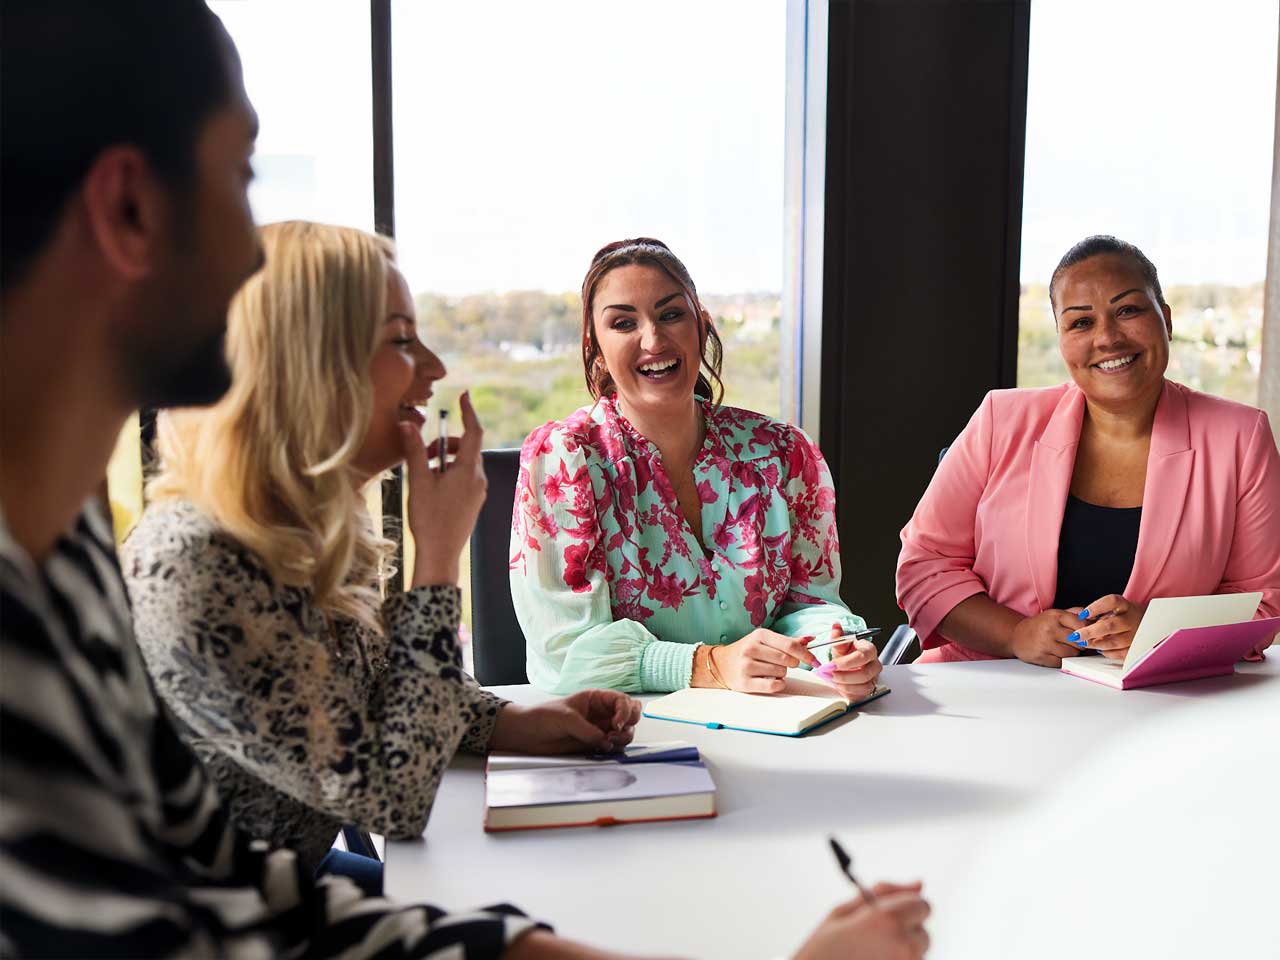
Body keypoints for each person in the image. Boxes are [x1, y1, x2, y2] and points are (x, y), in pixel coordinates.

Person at [0, 7, 930, 955]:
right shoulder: (174, 565)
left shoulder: (95, 549)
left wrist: (521, 723)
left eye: (675, 314)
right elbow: (376, 801)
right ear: (127, 209)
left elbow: (239, 884)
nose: (250, 256)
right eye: (241, 180)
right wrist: (440, 562)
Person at [122, 220, 642, 892]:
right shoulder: (192, 563)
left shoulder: (315, 530)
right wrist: (438, 556)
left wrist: (519, 722)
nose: (432, 369)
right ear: (307, 363)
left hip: (284, 878)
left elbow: (367, 704)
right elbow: (394, 797)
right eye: (401, 341)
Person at [511, 238, 883, 700]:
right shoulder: (564, 461)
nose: (652, 340)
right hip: (631, 736)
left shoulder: (784, 452)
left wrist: (836, 649)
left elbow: (810, 604)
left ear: (700, 328)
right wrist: (707, 665)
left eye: (671, 315)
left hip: (770, 722)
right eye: (624, 323)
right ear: (596, 347)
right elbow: (563, 654)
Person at [897, 235, 1280, 666]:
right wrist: (1014, 635)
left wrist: (1160, 634)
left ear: (1166, 321)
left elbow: (1262, 601)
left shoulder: (1241, 437)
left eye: (1129, 310)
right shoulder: (999, 420)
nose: (1108, 338)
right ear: (1061, 338)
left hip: (1161, 702)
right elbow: (924, 568)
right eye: (1081, 322)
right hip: (988, 685)